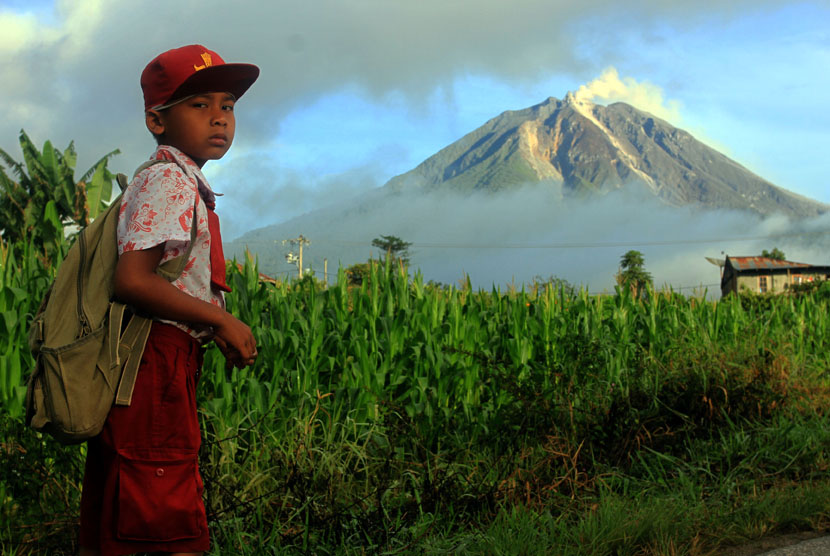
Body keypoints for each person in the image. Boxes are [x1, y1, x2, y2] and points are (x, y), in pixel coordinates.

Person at [78, 44, 260, 556]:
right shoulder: (169, 181)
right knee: (161, 515)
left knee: (132, 506)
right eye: (199, 105)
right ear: (157, 121)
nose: (220, 118)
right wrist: (221, 323)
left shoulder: (176, 181)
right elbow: (133, 281)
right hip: (153, 360)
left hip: (158, 362)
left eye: (227, 105)